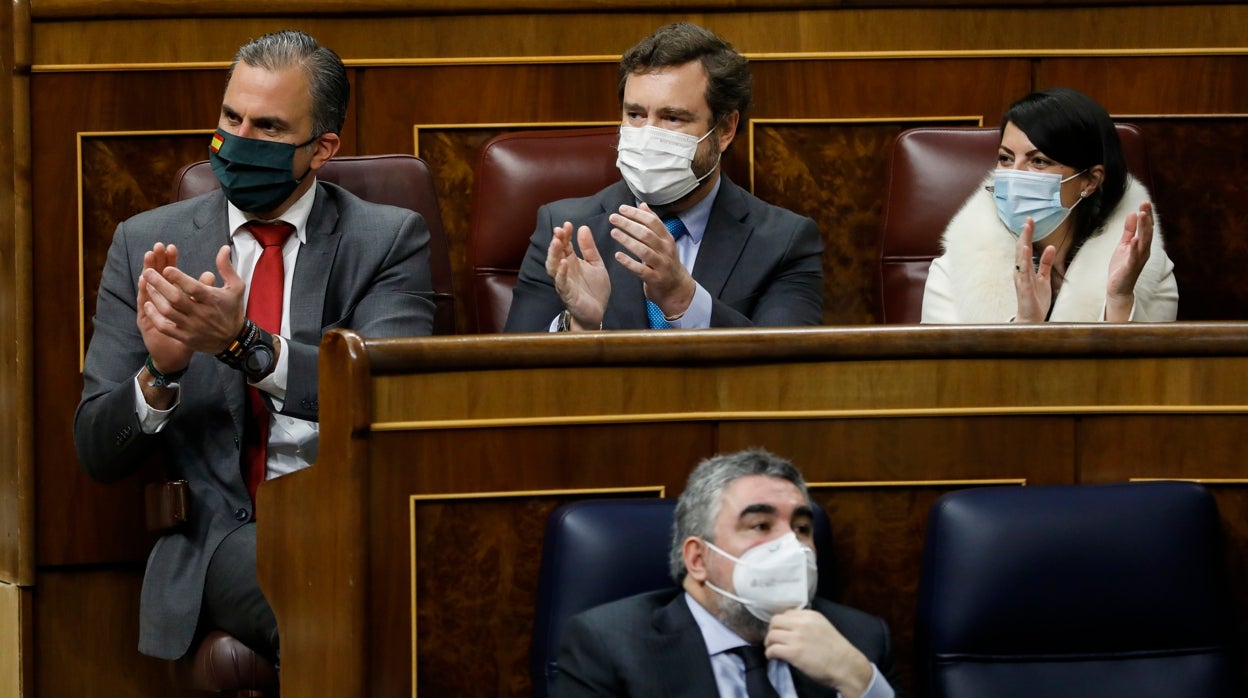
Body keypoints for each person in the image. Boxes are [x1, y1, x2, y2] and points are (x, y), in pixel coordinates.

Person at [73, 30, 435, 665]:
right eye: (229, 117)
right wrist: (161, 371)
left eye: (267, 128)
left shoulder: (385, 239)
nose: (238, 140)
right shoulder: (146, 244)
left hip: (349, 521)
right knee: (333, 610)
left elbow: (386, 401)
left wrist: (241, 344)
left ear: (322, 148)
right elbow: (97, 452)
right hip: (220, 539)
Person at [504, 22, 823, 332]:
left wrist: (685, 299)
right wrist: (579, 326)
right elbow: (510, 373)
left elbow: (786, 375)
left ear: (725, 129)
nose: (648, 136)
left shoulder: (784, 243)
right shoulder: (563, 230)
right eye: (635, 115)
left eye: (672, 118)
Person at [555, 449, 899, 698]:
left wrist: (860, 683)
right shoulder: (609, 645)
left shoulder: (859, 639)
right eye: (761, 525)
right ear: (698, 558)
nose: (793, 546)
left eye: (802, 527)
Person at [921, 87, 1178, 323]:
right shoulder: (953, 271)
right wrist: (1024, 327)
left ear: (1089, 181)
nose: (1014, 175)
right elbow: (942, 372)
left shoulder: (1147, 270)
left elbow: (1145, 372)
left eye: (1039, 161)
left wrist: (1120, 299)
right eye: (1005, 158)